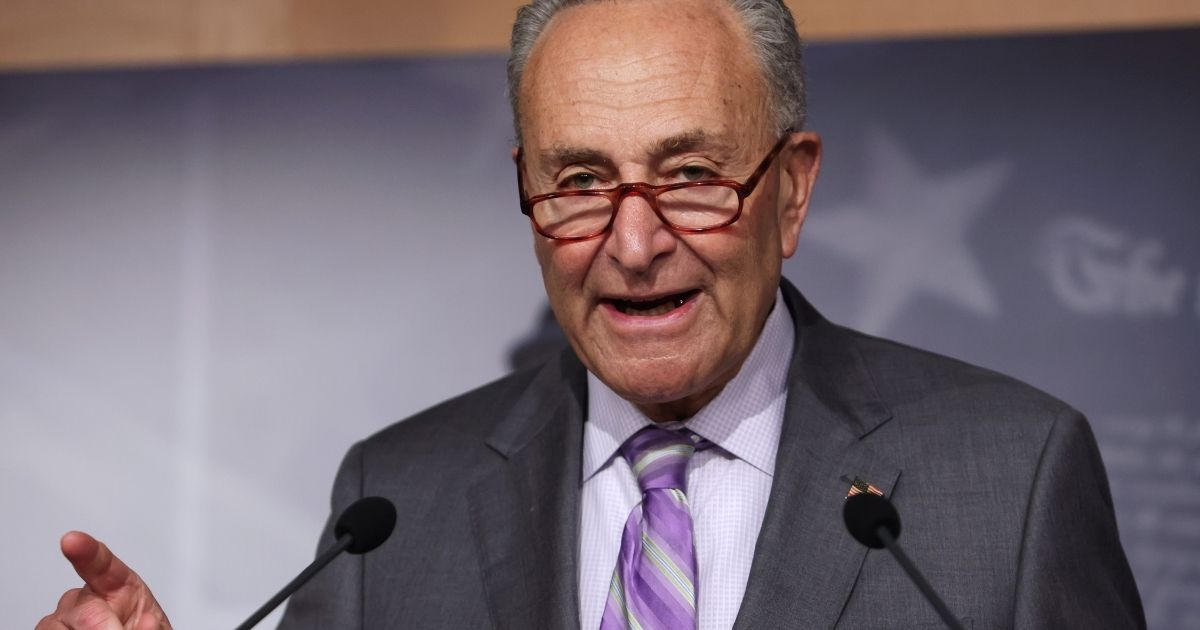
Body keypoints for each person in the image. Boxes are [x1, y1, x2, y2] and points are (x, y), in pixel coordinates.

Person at [37, 0, 1146, 628]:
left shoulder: (1010, 480)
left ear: (792, 189)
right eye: (578, 183)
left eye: (692, 173)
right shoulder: (394, 502)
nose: (631, 241)